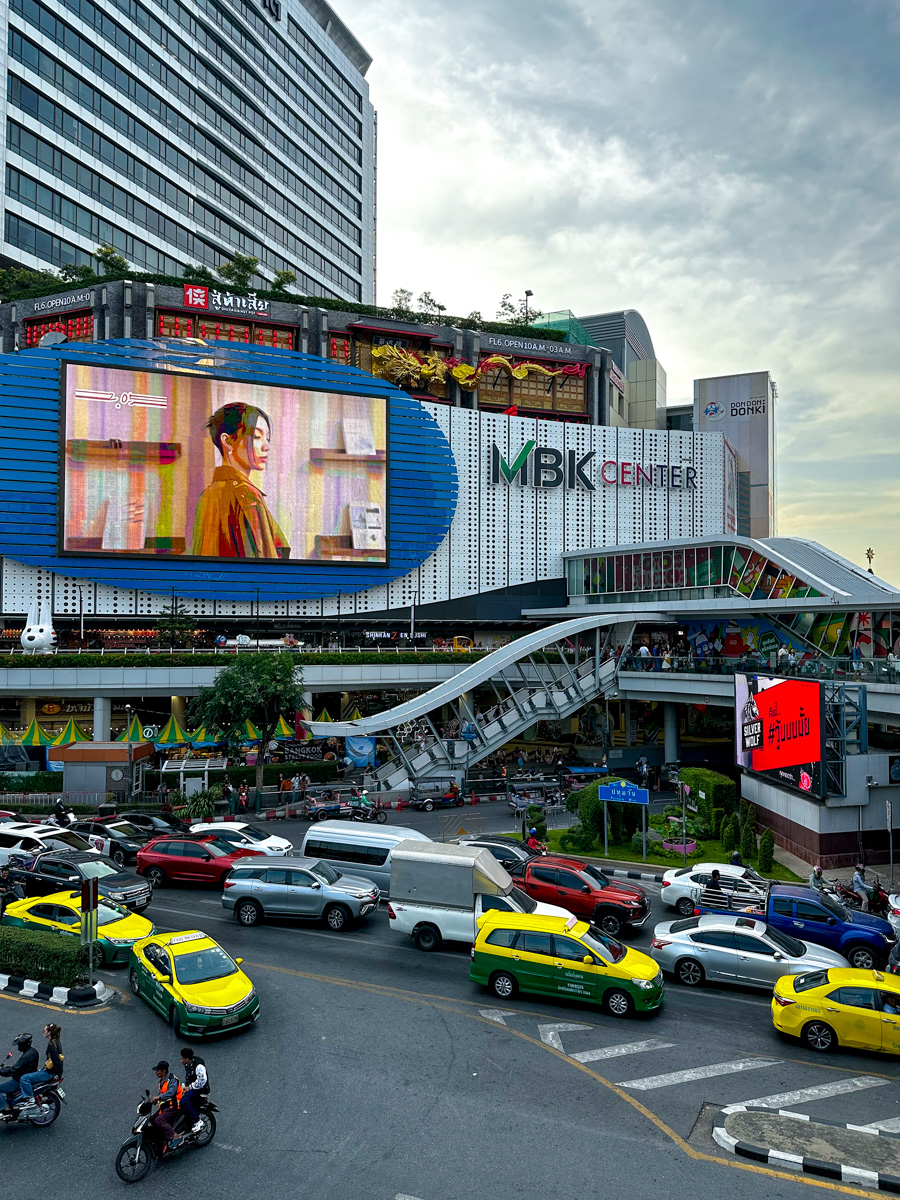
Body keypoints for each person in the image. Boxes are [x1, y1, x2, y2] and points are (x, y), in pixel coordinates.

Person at [191, 402, 288, 560]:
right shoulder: (248, 496)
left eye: (267, 438)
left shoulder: (208, 494)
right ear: (228, 441)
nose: (266, 446)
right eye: (257, 437)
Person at [16, 1023, 63, 1110]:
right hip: (49, 1071)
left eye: (44, 1030)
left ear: (49, 1033)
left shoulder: (51, 1045)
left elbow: (57, 1061)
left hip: (49, 1073)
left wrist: (58, 1074)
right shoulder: (56, 1042)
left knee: (24, 1079)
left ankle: (30, 1099)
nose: (43, 1032)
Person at [0, 1034, 39, 1113]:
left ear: (23, 1044)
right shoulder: (32, 1051)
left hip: (19, 1080)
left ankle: (5, 1107)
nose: (18, 1047)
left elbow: (14, 1069)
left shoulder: (27, 1056)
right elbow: (18, 1067)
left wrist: (2, 1071)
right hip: (25, 1075)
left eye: (19, 1044)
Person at [151, 1060, 184, 1150]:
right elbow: (162, 1094)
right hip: (165, 1106)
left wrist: (158, 1098)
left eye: (158, 1070)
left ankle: (176, 1137)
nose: (156, 1072)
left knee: (159, 1121)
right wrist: (154, 1100)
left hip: (174, 1106)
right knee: (152, 1119)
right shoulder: (161, 1081)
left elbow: (170, 1093)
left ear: (163, 1071)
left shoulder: (172, 1080)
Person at [179, 1046, 208, 1135]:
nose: (181, 1060)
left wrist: (190, 1087)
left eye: (182, 1058)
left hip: (200, 1091)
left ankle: (197, 1121)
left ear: (187, 1059)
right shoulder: (188, 1065)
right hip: (193, 1088)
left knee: (184, 1101)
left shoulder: (198, 1066)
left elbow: (202, 1081)